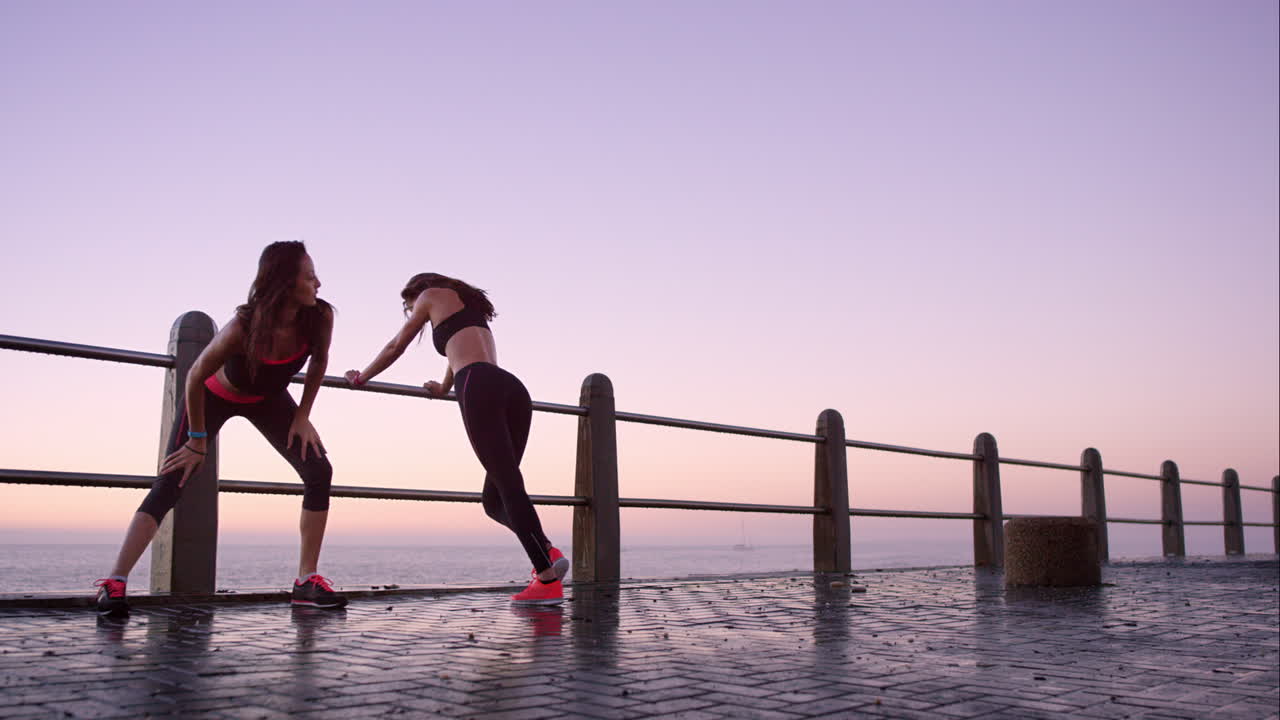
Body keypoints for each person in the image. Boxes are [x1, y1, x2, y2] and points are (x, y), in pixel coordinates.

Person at [94, 241, 347, 614]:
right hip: (213, 396)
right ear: (285, 282)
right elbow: (195, 375)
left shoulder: (319, 317)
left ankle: (305, 582)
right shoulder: (243, 326)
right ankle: (114, 583)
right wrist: (197, 439)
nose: (319, 283)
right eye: (310, 277)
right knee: (171, 481)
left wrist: (302, 415)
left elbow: (320, 362)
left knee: (318, 469)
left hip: (270, 399)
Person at [345, 272, 569, 605]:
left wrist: (362, 376)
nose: (412, 313)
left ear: (415, 292)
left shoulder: (428, 296)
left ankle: (547, 579)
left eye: (409, 306)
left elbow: (397, 345)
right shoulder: (467, 306)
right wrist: (443, 386)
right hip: (512, 388)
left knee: (507, 485)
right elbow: (461, 356)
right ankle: (546, 550)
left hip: (478, 386)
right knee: (494, 500)